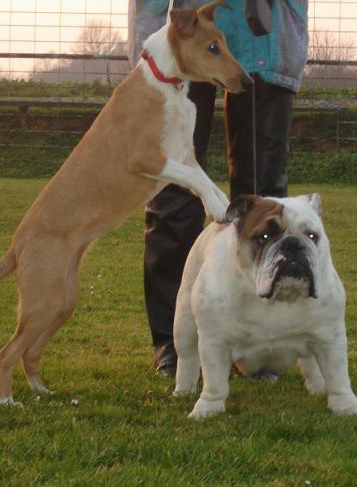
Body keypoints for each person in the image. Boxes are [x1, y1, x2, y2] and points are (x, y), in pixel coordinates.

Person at [128, 0, 308, 376]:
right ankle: (176, 343)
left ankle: (256, 344)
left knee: (264, 205)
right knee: (174, 194)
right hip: (185, 46)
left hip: (267, 39)